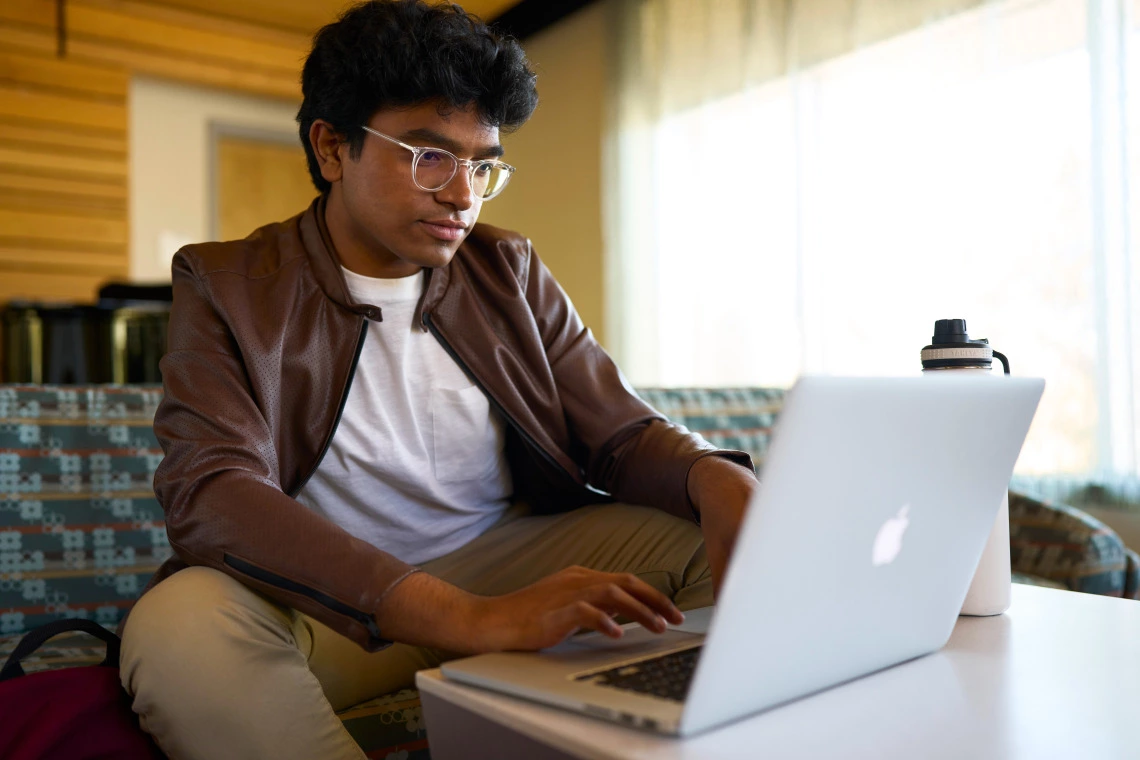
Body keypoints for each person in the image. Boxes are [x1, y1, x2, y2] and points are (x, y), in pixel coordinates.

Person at [118, 1, 758, 757]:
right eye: (428, 155)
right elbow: (212, 490)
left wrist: (717, 477)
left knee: (706, 540)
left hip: (502, 563)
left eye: (483, 164)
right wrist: (462, 618)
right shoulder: (228, 283)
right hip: (331, 611)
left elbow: (620, 432)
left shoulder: (507, 269)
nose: (462, 194)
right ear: (332, 147)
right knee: (177, 628)